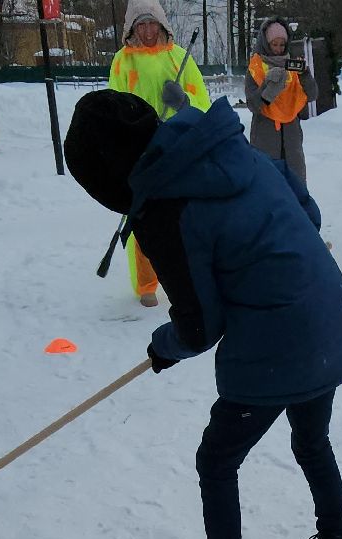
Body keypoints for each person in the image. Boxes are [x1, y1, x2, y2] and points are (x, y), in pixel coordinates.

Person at [63, 90, 342, 539]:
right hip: (328, 319)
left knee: (217, 460)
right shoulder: (225, 146)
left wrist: (162, 347)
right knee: (312, 439)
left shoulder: (168, 209)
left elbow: (201, 325)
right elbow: (306, 208)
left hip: (277, 346)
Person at [106, 0, 210, 308]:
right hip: (140, 150)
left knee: (181, 215)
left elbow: (202, 103)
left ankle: (186, 275)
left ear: (162, 25)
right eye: (141, 24)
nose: (148, 30)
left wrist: (183, 102)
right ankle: (146, 282)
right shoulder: (122, 61)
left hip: (177, 148)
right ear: (131, 28)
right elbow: (113, 104)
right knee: (141, 217)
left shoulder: (179, 58)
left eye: (152, 24)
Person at [244, 18, 315, 184]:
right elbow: (253, 105)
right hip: (265, 137)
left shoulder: (293, 66)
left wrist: (305, 75)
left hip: (292, 139)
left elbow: (312, 95)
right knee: (266, 188)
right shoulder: (256, 68)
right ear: (266, 43)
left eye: (282, 45)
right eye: (274, 44)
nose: (278, 49)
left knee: (296, 190)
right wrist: (268, 90)